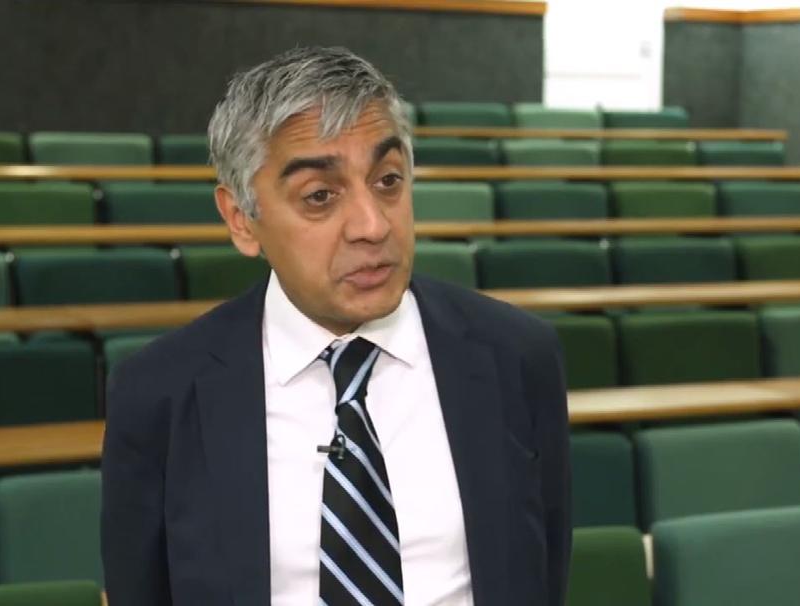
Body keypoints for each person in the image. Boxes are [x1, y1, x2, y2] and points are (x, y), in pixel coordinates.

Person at [101, 46, 571, 606]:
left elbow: (544, 573)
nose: (373, 225)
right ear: (241, 219)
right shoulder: (159, 393)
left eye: (388, 180)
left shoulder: (518, 356)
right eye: (320, 196)